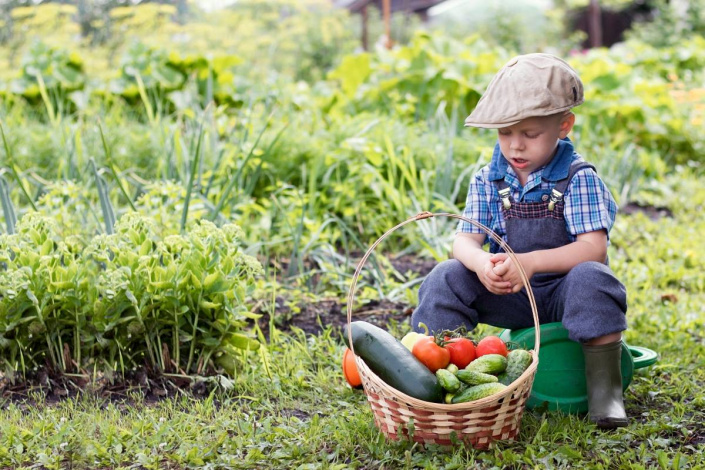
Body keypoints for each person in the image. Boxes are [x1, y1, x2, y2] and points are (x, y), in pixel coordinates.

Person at [410, 53, 629, 428]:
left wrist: (531, 262)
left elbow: (594, 247)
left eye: (529, 134)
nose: (515, 147)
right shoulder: (489, 179)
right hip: (509, 294)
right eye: (505, 133)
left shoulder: (578, 178)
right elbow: (464, 241)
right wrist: (481, 264)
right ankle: (435, 381)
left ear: (564, 125)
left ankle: (606, 393)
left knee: (594, 277)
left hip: (565, 292)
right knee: (447, 275)